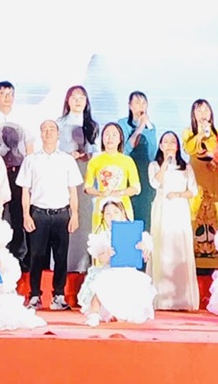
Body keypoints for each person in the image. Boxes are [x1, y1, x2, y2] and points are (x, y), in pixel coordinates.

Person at [17, 119, 82, 311]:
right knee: (36, 256)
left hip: (62, 214)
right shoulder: (31, 160)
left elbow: (73, 191)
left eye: (52, 129)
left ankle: (59, 295)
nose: (48, 133)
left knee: (61, 256)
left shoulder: (67, 160)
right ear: (40, 134)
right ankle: (35, 295)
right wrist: (26, 215)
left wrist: (75, 214)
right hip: (38, 213)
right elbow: (25, 191)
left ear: (58, 134)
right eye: (44, 129)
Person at [77, 198, 157, 327]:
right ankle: (94, 315)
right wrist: (107, 254)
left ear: (123, 213)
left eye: (115, 212)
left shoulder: (137, 235)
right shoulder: (103, 236)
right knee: (100, 286)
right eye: (107, 214)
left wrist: (143, 249)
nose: (112, 216)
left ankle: (119, 314)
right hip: (110, 269)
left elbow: (145, 256)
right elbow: (101, 259)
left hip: (128, 271)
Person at [0, 81, 35, 263]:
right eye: (3, 94)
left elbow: (29, 146)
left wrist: (30, 173)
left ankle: (21, 256)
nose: (7, 98)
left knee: (19, 212)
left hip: (18, 171)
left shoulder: (22, 118)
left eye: (10, 94)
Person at [148, 130, 199, 311]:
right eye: (166, 142)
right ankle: (161, 298)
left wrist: (177, 195)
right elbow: (155, 183)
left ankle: (182, 298)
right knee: (162, 248)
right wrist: (165, 163)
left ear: (177, 146)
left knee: (179, 248)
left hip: (179, 210)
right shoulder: (154, 165)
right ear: (160, 146)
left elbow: (193, 191)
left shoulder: (186, 167)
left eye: (172, 142)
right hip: (162, 210)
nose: (169, 145)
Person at [184, 99, 218, 270]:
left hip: (214, 178)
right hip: (196, 178)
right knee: (196, 213)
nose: (203, 114)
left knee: (215, 214)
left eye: (205, 110)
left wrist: (209, 135)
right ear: (193, 114)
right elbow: (189, 149)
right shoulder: (188, 132)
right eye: (199, 110)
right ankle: (196, 260)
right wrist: (200, 134)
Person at [58, 85, 97, 274]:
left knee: (85, 215)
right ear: (68, 100)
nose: (78, 101)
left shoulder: (92, 125)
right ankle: (64, 263)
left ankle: (84, 263)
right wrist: (68, 155)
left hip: (85, 172)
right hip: (64, 173)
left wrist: (88, 155)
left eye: (82, 97)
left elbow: (97, 150)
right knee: (66, 214)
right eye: (74, 97)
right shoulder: (59, 124)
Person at [83, 122, 141, 231]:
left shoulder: (127, 160)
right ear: (102, 138)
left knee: (123, 239)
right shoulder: (95, 161)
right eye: (107, 134)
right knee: (101, 239)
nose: (110, 138)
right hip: (102, 208)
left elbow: (136, 188)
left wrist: (118, 193)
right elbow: (87, 187)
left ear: (120, 139)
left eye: (114, 134)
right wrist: (101, 193)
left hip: (122, 207)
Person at [116, 92, 157, 227]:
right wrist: (140, 126)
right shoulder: (122, 124)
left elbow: (152, 153)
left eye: (144, 103)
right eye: (137, 103)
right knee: (128, 212)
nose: (141, 106)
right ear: (130, 106)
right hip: (128, 172)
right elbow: (125, 149)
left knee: (144, 212)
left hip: (145, 174)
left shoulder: (151, 127)